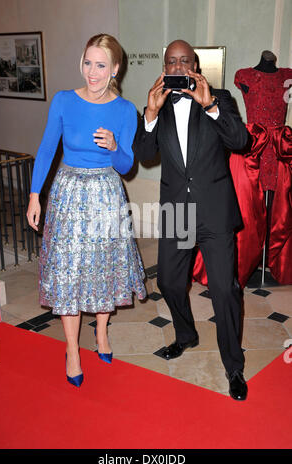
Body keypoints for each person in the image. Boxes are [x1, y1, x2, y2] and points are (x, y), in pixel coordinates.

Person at [27, 34, 146, 387]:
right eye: (88, 63)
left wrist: (114, 147)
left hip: (106, 194)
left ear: (115, 70)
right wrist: (35, 195)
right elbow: (47, 148)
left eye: (101, 65)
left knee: (104, 268)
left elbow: (127, 166)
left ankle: (102, 332)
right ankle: (73, 351)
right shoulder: (63, 101)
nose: (92, 72)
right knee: (68, 271)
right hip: (67, 194)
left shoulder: (125, 110)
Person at [133, 40, 248, 400]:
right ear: (164, 66)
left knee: (225, 293)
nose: (179, 67)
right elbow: (144, 155)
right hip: (178, 212)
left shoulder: (220, 97)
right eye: (172, 61)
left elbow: (241, 141)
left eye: (185, 61)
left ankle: (233, 365)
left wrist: (210, 104)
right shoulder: (158, 105)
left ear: (195, 64)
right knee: (168, 280)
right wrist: (149, 115)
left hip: (214, 210)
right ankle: (186, 335)